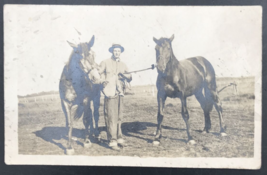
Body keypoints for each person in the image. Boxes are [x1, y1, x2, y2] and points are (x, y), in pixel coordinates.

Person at [98, 44, 132, 150]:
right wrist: (104, 83)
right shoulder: (105, 62)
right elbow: (98, 75)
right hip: (110, 93)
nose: (117, 52)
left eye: (119, 51)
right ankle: (112, 141)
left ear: (120, 52)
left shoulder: (123, 64)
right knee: (111, 117)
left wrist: (123, 75)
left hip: (120, 93)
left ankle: (119, 138)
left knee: (119, 117)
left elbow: (130, 77)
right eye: (115, 51)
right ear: (112, 51)